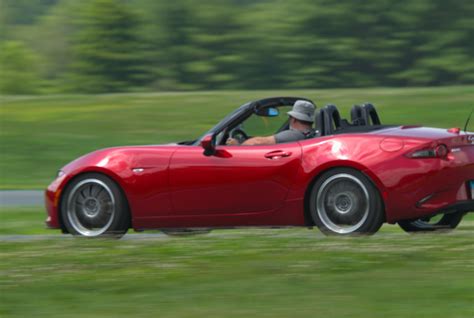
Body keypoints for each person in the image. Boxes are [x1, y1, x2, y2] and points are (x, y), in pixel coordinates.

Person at [226, 100, 316, 146]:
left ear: (294, 119)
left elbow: (258, 142)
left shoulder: (294, 135)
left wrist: (238, 145)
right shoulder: (311, 134)